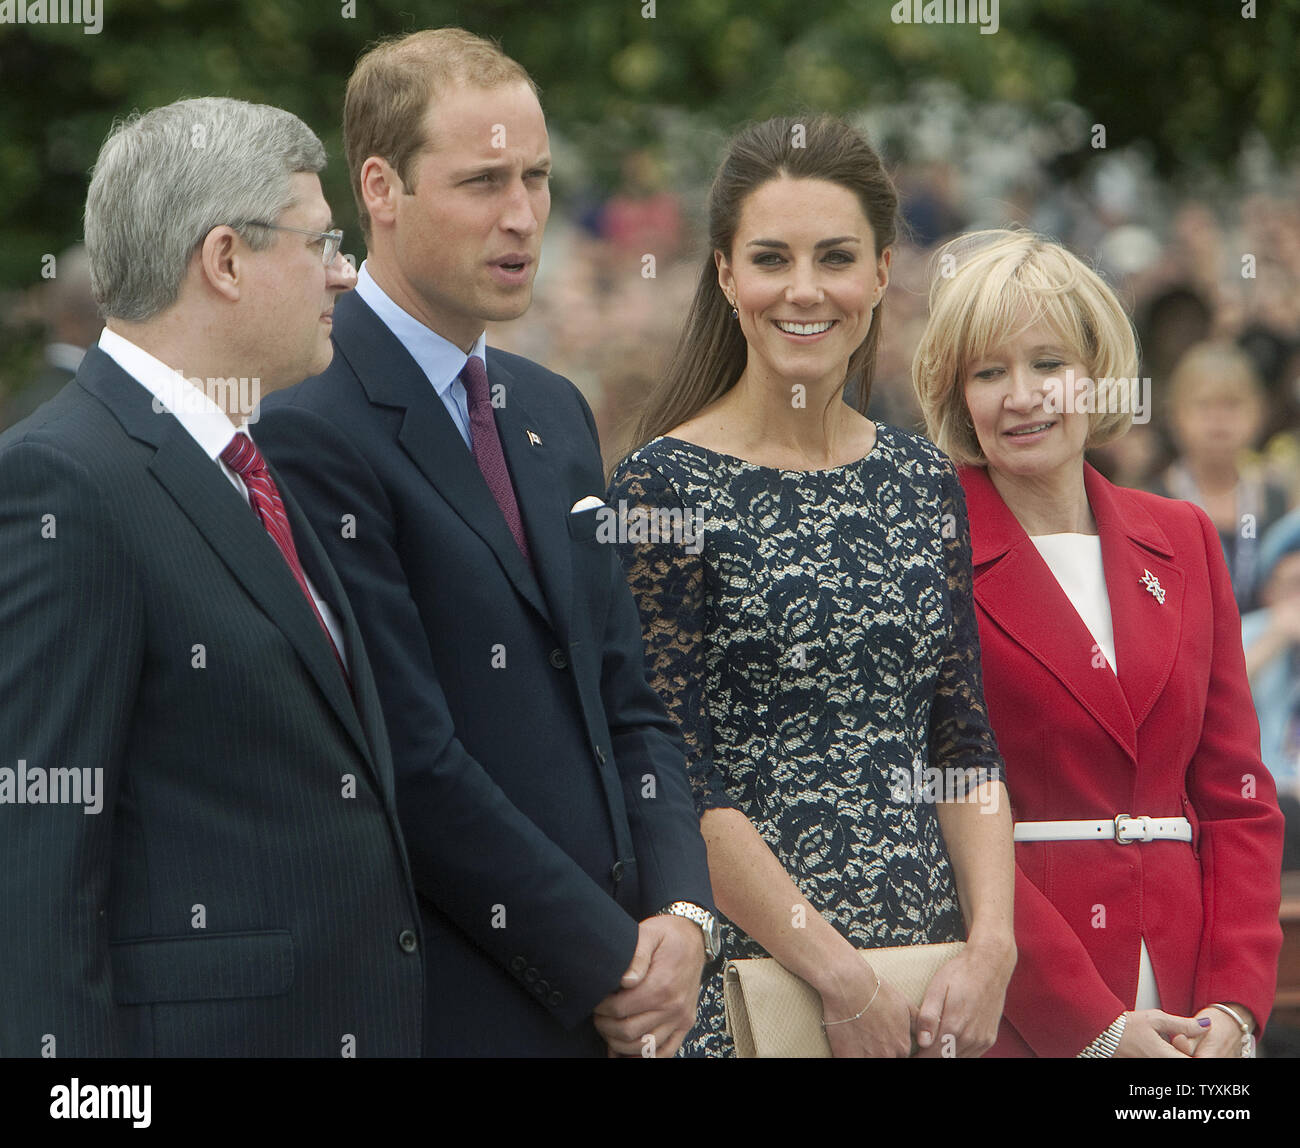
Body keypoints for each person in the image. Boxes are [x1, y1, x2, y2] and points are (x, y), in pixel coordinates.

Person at [255, 28, 714, 1058]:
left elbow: (629, 703)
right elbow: (408, 760)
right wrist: (607, 961)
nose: (521, 216)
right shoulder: (307, 422)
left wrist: (684, 917)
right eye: (481, 182)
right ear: (380, 187)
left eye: (538, 178)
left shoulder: (550, 409)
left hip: (631, 998)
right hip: (462, 1005)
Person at [0, 97, 425, 1056]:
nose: (345, 275)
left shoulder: (247, 463)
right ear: (225, 260)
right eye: (321, 243)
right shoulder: (65, 480)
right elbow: (33, 872)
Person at [607, 115, 1016, 1058]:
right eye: (771, 259)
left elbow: (961, 737)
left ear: (880, 273)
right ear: (724, 275)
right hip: (752, 987)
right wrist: (834, 972)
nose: (804, 290)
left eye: (835, 258)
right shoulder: (660, 490)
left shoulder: (923, 482)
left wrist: (992, 947)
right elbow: (671, 771)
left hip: (926, 988)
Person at [912, 228, 1286, 1057]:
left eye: (1048, 364)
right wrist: (1096, 1028)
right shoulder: (925, 551)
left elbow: (1235, 794)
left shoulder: (1182, 536)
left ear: (1096, 373)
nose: (1023, 395)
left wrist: (1235, 1004)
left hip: (1195, 1006)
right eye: (988, 371)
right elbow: (938, 809)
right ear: (958, 394)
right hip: (1028, 1005)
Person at [1148, 341, 1291, 611]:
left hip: (1268, 643)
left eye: (1232, 405)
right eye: (1204, 405)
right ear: (1176, 415)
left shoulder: (1278, 495)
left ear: (1259, 412)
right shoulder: (1151, 500)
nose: (1218, 419)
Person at [1240, 509, 1300, 869]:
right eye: (1293, 585)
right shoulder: (1248, 632)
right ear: (1269, 591)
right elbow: (1213, 701)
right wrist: (1276, 638)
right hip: (1261, 795)